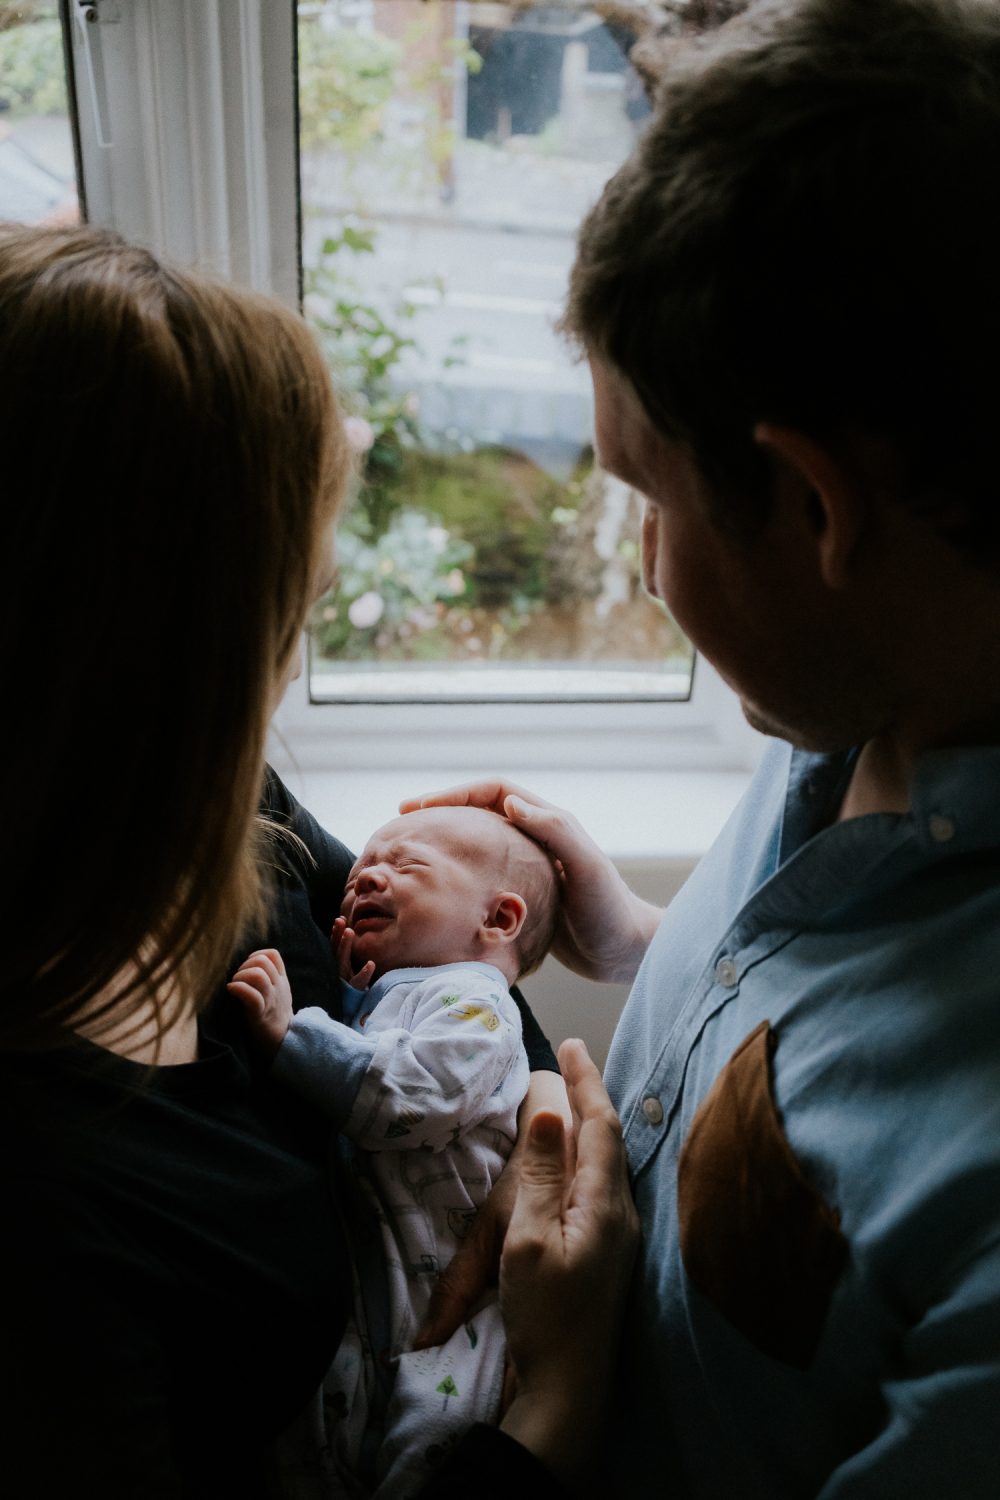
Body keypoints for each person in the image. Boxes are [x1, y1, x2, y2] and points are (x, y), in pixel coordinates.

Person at [405, 0, 1000, 1494]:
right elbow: (834, 1054)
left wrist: (561, 1384)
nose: (651, 563)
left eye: (646, 498)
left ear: (816, 510)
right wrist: (651, 947)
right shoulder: (871, 681)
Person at [0, 221, 638, 1500]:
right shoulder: (42, 1239)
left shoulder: (226, 815)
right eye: (282, 619)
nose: (288, 668)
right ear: (165, 671)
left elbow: (459, 988)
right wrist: (558, 1400)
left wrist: (531, 1133)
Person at [228, 806, 559, 1497]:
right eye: (359, 870)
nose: (365, 875)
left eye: (405, 865)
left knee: (431, 1443)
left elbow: (410, 1097)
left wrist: (295, 1033)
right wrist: (353, 999)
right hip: (379, 1278)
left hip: (449, 1320)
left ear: (498, 921)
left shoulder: (478, 1006)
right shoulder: (402, 997)